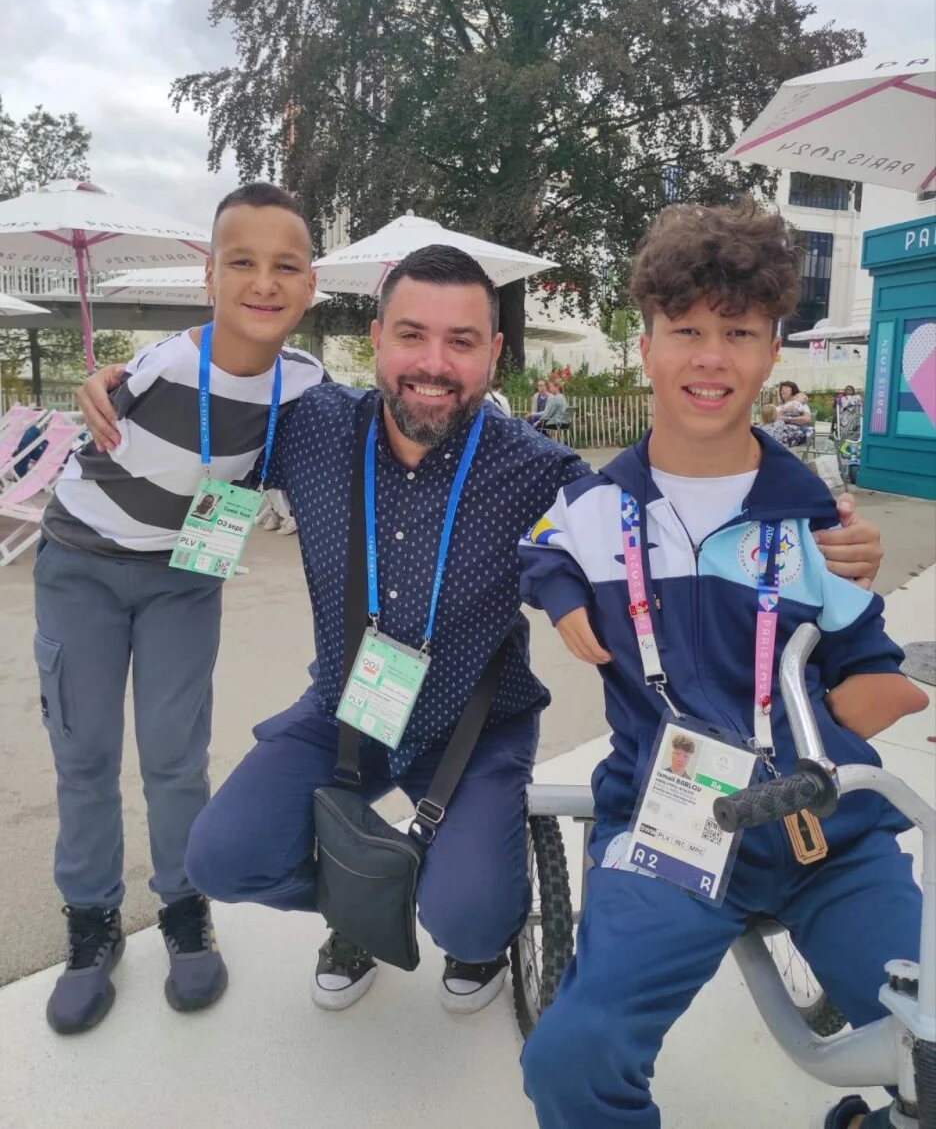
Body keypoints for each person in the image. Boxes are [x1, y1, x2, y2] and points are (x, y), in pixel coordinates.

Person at [77, 247, 885, 1021]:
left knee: (470, 918)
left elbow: (667, 517)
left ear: (494, 353)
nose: (434, 363)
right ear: (376, 338)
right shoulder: (313, 426)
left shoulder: (539, 469)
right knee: (220, 856)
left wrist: (808, 528)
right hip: (346, 708)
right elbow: (215, 421)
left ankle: (462, 921)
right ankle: (361, 907)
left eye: (461, 341)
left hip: (476, 722)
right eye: (412, 335)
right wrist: (129, 384)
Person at [517, 202, 926, 1129]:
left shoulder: (817, 520)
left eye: (738, 332)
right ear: (646, 346)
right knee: (570, 1061)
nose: (711, 357)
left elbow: (871, 666)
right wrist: (562, 589)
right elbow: (536, 548)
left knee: (931, 1045)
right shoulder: (591, 508)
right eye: (686, 330)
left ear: (773, 349)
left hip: (829, 837)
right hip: (671, 828)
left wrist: (832, 726)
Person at [37, 182, 324, 1035]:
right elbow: (92, 414)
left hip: (183, 578)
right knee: (85, 753)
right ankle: (91, 921)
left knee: (175, 754)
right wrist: (93, 383)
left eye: (286, 266)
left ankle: (184, 906)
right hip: (82, 566)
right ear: (210, 275)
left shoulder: (306, 386)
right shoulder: (160, 366)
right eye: (242, 262)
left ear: (311, 284)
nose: (263, 283)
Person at [772, 379, 813, 448]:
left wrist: (787, 418)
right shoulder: (778, 407)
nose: (782, 390)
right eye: (781, 388)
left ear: (793, 390)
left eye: (786, 387)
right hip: (777, 430)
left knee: (774, 440)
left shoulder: (801, 405)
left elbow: (806, 419)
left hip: (793, 432)